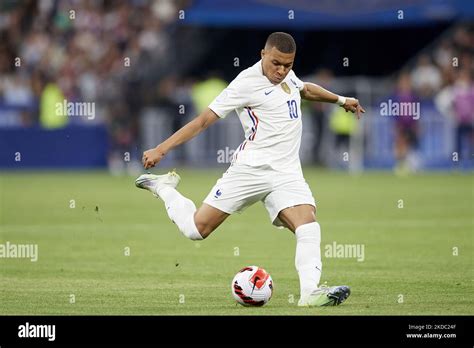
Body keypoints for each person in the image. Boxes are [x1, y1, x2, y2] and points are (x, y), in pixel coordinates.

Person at [136, 32, 365, 307]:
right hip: (250, 170)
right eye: (276, 63)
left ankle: (309, 294)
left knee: (308, 226)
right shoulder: (246, 82)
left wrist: (340, 100)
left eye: (288, 65)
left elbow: (304, 89)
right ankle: (164, 188)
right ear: (262, 55)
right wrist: (162, 149)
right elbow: (204, 120)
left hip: (286, 173)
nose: (281, 70)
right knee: (196, 229)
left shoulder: (287, 77)